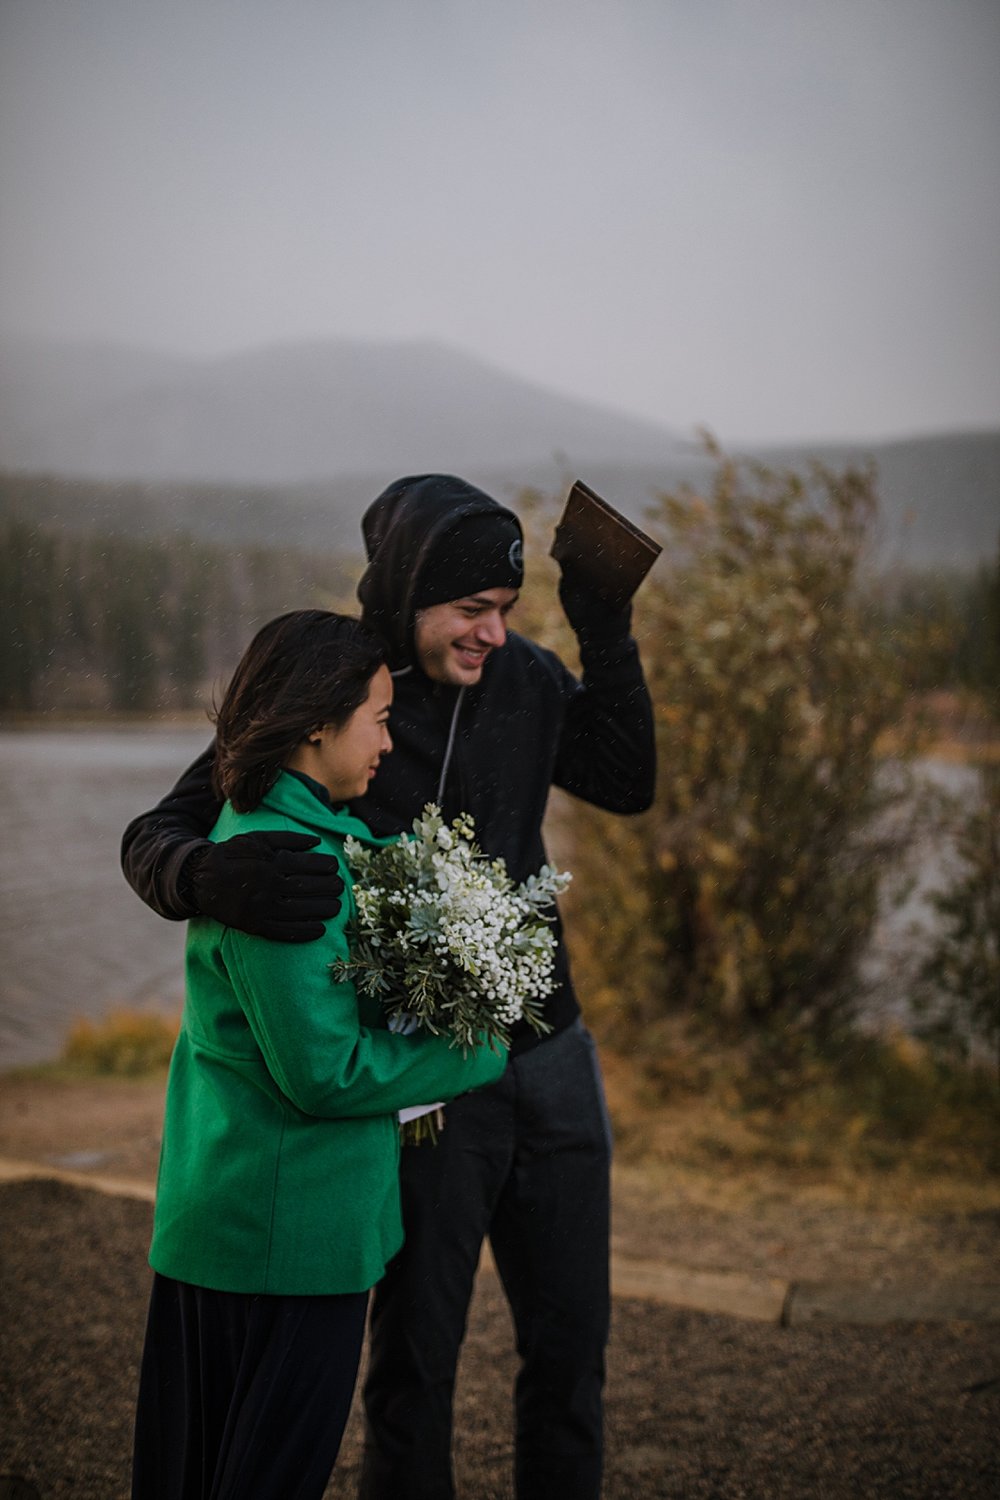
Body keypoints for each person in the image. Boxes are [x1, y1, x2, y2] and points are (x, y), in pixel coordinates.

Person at [122, 475, 656, 1500]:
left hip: (551, 1053)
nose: (492, 634)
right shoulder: (332, 701)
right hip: (413, 1086)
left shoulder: (528, 680)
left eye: (505, 611)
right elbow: (162, 830)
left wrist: (605, 624)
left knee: (571, 1353)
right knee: (413, 1362)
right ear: (408, 594)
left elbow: (627, 779)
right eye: (470, 611)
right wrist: (206, 878)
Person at [130, 608, 507, 1500]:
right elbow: (323, 1073)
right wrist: (476, 1053)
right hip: (282, 1237)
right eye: (378, 717)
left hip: (260, 1223)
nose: (389, 738)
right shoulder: (283, 869)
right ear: (314, 723)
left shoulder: (299, 835)